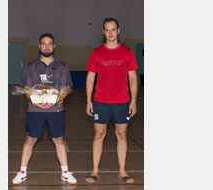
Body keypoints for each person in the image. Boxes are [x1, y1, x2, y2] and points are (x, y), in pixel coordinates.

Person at [12, 33, 77, 185]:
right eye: (43, 43)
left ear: (54, 46)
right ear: (39, 46)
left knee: (59, 140)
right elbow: (26, 89)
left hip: (56, 110)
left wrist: (55, 101)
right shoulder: (31, 66)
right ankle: (22, 172)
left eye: (49, 44)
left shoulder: (62, 66)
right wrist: (34, 101)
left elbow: (66, 89)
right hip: (35, 111)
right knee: (30, 140)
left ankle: (65, 172)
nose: (46, 46)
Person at [85, 18, 138, 184]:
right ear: (103, 32)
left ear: (118, 30)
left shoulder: (127, 52)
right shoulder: (96, 53)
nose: (110, 33)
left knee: (122, 135)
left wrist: (134, 100)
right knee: (99, 135)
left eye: (113, 29)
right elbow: (90, 78)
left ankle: (122, 171)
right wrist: (88, 100)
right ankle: (95, 171)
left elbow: (133, 78)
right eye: (107, 30)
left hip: (122, 101)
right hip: (101, 101)